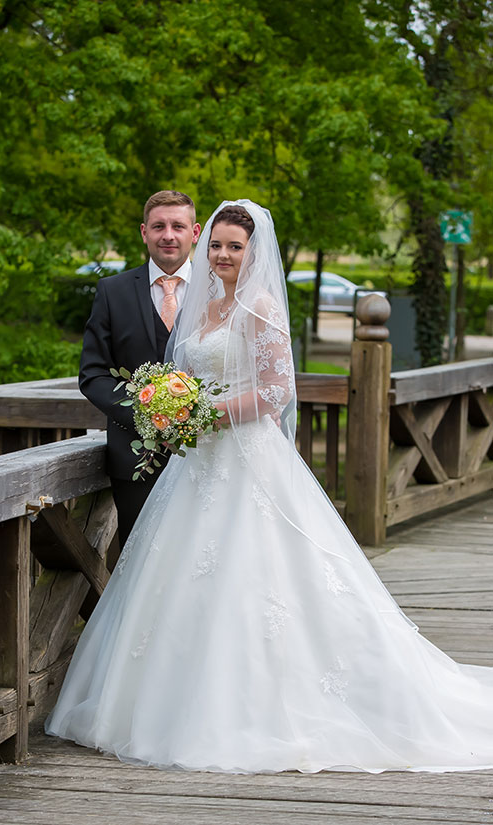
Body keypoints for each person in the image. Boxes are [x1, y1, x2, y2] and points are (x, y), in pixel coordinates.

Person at [47, 200, 493, 774]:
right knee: (177, 576)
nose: (223, 255)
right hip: (196, 466)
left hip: (245, 459)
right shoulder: (204, 307)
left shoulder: (258, 307)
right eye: (216, 245)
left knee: (263, 575)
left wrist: (203, 413)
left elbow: (275, 392)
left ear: (253, 253)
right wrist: (176, 406)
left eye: (235, 246)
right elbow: (180, 375)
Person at [79, 191, 201, 548]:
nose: (168, 234)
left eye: (178, 226)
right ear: (143, 232)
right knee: (141, 557)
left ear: (194, 233)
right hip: (133, 458)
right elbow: (93, 373)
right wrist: (146, 417)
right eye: (159, 225)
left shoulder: (218, 293)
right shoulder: (112, 291)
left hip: (205, 454)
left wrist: (196, 417)